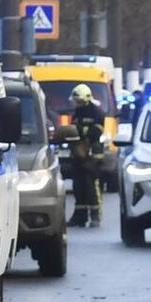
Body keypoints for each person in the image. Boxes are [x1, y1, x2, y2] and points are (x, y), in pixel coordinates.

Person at [64, 84, 107, 227]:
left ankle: (95, 216)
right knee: (78, 186)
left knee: (91, 186)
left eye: (78, 100)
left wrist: (84, 136)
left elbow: (97, 131)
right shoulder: (77, 112)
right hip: (78, 155)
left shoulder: (96, 112)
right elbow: (74, 130)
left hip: (93, 156)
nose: (76, 103)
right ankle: (80, 217)